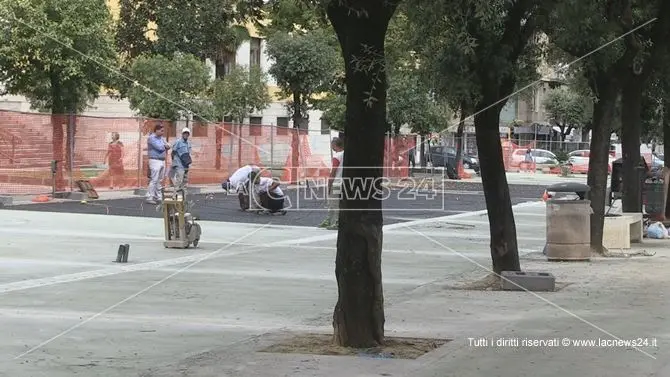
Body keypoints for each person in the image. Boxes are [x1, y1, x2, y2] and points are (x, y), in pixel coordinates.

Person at [319, 137, 344, 230]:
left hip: (337, 182)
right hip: (345, 182)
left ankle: (334, 221)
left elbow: (333, 171)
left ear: (334, 145)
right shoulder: (346, 155)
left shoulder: (337, 156)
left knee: (333, 202)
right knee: (338, 202)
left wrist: (329, 183)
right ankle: (330, 220)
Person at [146, 124, 170, 204]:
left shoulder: (161, 138)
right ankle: (150, 197)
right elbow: (159, 147)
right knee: (154, 179)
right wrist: (165, 146)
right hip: (154, 160)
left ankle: (158, 196)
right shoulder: (151, 138)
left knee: (160, 180)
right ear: (156, 130)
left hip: (162, 160)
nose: (163, 132)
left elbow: (169, 145)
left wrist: (165, 145)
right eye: (161, 131)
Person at [169, 127, 193, 193]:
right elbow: (173, 152)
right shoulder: (178, 142)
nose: (186, 134)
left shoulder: (188, 143)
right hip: (179, 164)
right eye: (184, 133)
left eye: (187, 133)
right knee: (179, 180)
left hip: (186, 164)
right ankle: (175, 196)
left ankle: (183, 198)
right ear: (182, 134)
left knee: (185, 182)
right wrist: (174, 162)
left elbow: (188, 153)